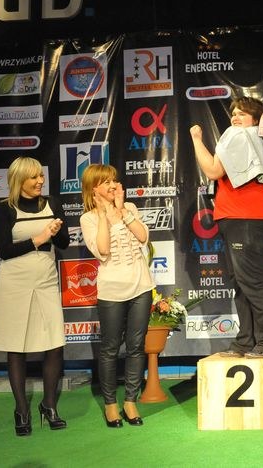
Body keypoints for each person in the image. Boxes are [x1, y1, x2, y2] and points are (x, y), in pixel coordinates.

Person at [190, 96, 263, 358]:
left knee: (253, 283)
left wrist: (196, 139)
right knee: (242, 283)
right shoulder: (255, 139)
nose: (236, 118)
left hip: (247, 218)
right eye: (234, 113)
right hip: (245, 217)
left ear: (256, 120)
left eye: (243, 113)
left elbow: (212, 170)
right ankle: (245, 342)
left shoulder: (238, 135)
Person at [0, 156, 69, 436]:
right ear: (19, 180)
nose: (40, 181)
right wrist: (39, 237)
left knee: (55, 343)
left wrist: (55, 233)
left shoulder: (52, 203)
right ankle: (22, 410)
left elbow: (64, 243)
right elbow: (4, 251)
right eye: (34, 177)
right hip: (15, 281)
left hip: (46, 280)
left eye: (41, 176)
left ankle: (49, 405)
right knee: (17, 345)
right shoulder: (4, 209)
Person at [80, 164, 153, 428]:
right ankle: (110, 404)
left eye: (114, 180)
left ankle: (130, 401)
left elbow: (143, 237)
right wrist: (104, 215)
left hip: (141, 287)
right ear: (94, 189)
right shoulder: (88, 219)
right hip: (112, 291)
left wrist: (122, 211)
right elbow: (102, 250)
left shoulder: (129, 207)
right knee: (110, 348)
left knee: (136, 346)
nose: (113, 185)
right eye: (106, 182)